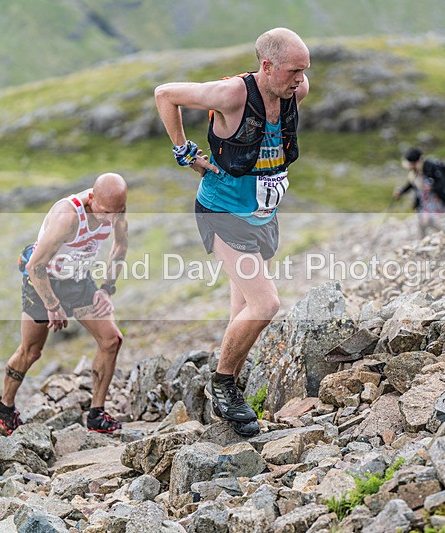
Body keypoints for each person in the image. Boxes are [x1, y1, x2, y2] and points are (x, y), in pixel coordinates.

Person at [154, 27, 310, 437]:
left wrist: (296, 83)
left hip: (263, 213)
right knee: (265, 304)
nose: (301, 80)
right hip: (222, 212)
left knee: (241, 313)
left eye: (304, 71)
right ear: (266, 66)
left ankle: (225, 407)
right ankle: (222, 384)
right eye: (294, 71)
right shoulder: (232, 96)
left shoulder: (297, 91)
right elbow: (164, 94)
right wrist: (184, 151)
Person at [0, 173, 129, 435]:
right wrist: (53, 305)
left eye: (118, 212)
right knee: (31, 351)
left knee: (112, 340)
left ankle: (96, 415)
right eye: (107, 212)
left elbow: (119, 247)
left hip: (78, 280)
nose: (112, 219)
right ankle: (4, 408)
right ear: (92, 199)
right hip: (43, 281)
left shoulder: (116, 208)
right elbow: (34, 266)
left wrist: (107, 289)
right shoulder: (68, 216)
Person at [393, 147, 445, 236]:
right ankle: (429, 239)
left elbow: (442, 183)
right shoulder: (415, 172)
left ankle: (442, 236)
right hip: (424, 202)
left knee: (433, 221)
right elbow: (411, 184)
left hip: (437, 201)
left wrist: (432, 187)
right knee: (424, 222)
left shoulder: (431, 167)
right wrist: (402, 191)